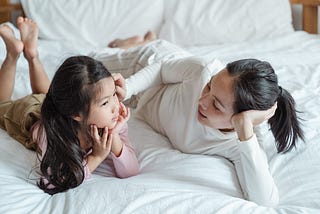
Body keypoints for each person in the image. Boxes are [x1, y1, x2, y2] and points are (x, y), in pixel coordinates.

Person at [93, 39, 304, 206]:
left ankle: (141, 39)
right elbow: (162, 69)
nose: (202, 101)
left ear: (240, 118)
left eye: (217, 105)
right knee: (90, 63)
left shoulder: (240, 143)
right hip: (146, 68)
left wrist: (245, 126)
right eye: (209, 87)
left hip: (143, 104)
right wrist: (127, 88)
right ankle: (139, 42)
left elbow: (266, 201)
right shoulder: (202, 71)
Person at [0, 17, 139, 195]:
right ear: (76, 114)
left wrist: (115, 137)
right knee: (3, 104)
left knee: (46, 94)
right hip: (29, 114)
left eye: (114, 94)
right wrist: (96, 157)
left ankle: (32, 54)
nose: (115, 106)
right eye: (105, 102)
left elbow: (131, 171)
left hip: (53, 102)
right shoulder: (52, 133)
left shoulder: (111, 117)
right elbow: (53, 183)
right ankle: (13, 53)